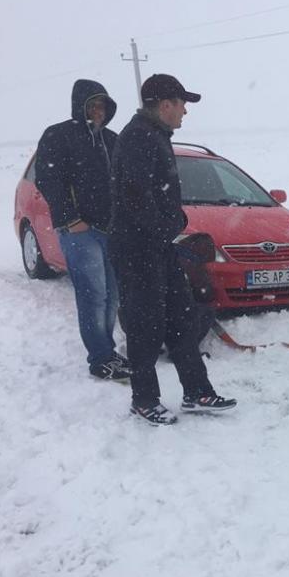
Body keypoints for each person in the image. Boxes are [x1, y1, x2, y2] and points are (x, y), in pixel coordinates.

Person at [109, 74, 236, 426]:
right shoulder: (138, 138)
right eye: (182, 104)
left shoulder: (155, 136)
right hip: (136, 250)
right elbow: (136, 199)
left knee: (182, 318)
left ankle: (197, 391)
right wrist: (172, 223)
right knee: (144, 325)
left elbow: (152, 198)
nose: (185, 112)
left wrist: (170, 225)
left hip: (158, 246)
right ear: (165, 105)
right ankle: (144, 399)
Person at [34, 79, 130, 381]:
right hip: (80, 231)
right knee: (93, 295)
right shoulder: (59, 135)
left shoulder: (112, 140)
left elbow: (124, 183)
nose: (98, 111)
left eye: (103, 105)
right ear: (81, 105)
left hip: (111, 229)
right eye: (93, 105)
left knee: (111, 296)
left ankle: (108, 351)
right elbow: (48, 179)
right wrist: (70, 219)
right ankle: (100, 358)